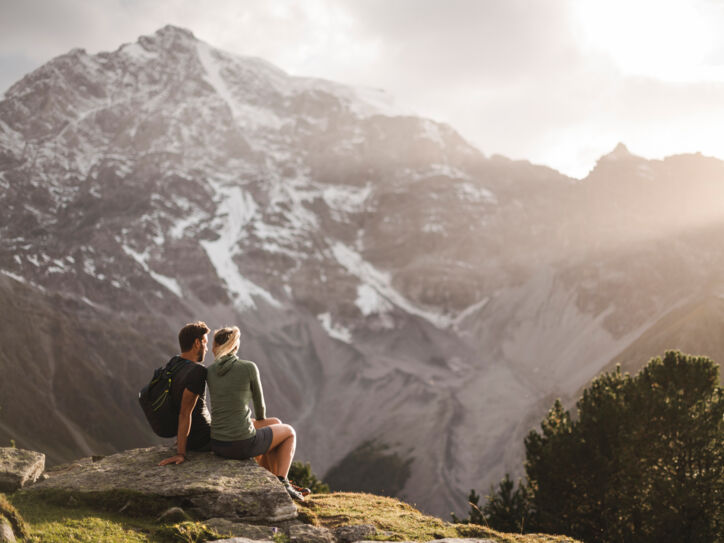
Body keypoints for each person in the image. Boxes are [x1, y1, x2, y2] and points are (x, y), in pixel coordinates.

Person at [206, 325, 304, 501]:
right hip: (240, 444)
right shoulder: (249, 367)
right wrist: (255, 420)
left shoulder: (210, 371)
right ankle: (282, 482)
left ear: (215, 347)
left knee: (275, 422)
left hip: (218, 443)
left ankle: (271, 478)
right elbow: (260, 409)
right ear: (235, 347)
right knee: (288, 432)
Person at [159, 321, 212, 466]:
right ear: (197, 343)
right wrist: (180, 454)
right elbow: (185, 413)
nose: (206, 348)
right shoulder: (197, 371)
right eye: (205, 343)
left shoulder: (173, 363)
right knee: (273, 427)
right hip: (204, 438)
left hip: (191, 437)